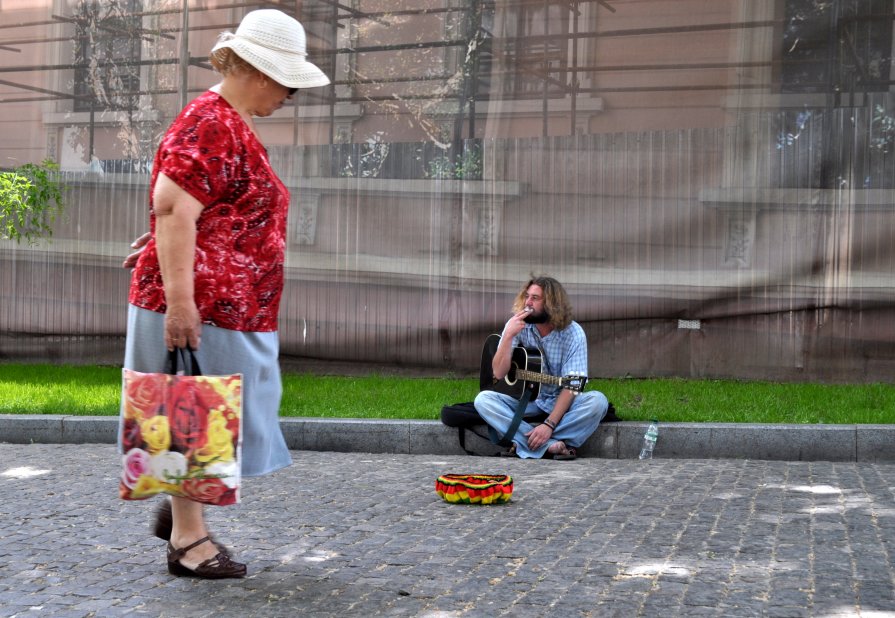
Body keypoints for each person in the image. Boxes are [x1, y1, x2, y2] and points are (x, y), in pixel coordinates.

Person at [121, 8, 329, 579]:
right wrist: (181, 301)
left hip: (231, 304)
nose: (291, 93)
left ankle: (187, 513)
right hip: (205, 305)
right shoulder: (210, 120)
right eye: (288, 80)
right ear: (261, 72)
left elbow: (195, 207)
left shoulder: (229, 121)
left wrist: (176, 239)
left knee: (220, 417)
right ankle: (188, 540)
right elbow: (172, 206)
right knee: (198, 415)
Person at [474, 276, 608, 459]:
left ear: (552, 304)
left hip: (560, 401)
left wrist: (549, 424)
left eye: (535, 298)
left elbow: (572, 387)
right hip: (526, 401)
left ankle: (532, 443)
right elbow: (498, 372)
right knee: (483, 400)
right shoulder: (518, 325)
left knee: (598, 402)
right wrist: (507, 337)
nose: (527, 303)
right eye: (526, 296)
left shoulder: (573, 333)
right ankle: (551, 445)